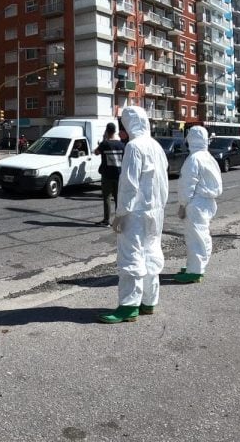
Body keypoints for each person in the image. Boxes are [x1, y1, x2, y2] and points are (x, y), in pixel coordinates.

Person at [98, 106, 169, 324]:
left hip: (136, 213)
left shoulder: (134, 147)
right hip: (155, 212)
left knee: (131, 256)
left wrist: (120, 214)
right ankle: (149, 301)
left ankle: (128, 306)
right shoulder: (156, 146)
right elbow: (163, 181)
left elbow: (129, 183)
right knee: (151, 253)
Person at [175, 125, 223, 284]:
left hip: (196, 202)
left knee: (195, 237)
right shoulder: (208, 156)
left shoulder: (194, 159)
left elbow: (187, 184)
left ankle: (195, 271)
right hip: (207, 202)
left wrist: (183, 204)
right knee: (202, 235)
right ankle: (197, 265)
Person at [93, 122, 124, 226]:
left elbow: (96, 152)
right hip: (119, 175)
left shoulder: (104, 144)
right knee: (118, 199)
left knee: (107, 198)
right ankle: (119, 220)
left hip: (107, 175)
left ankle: (107, 220)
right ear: (115, 131)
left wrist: (103, 139)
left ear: (106, 131)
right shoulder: (121, 145)